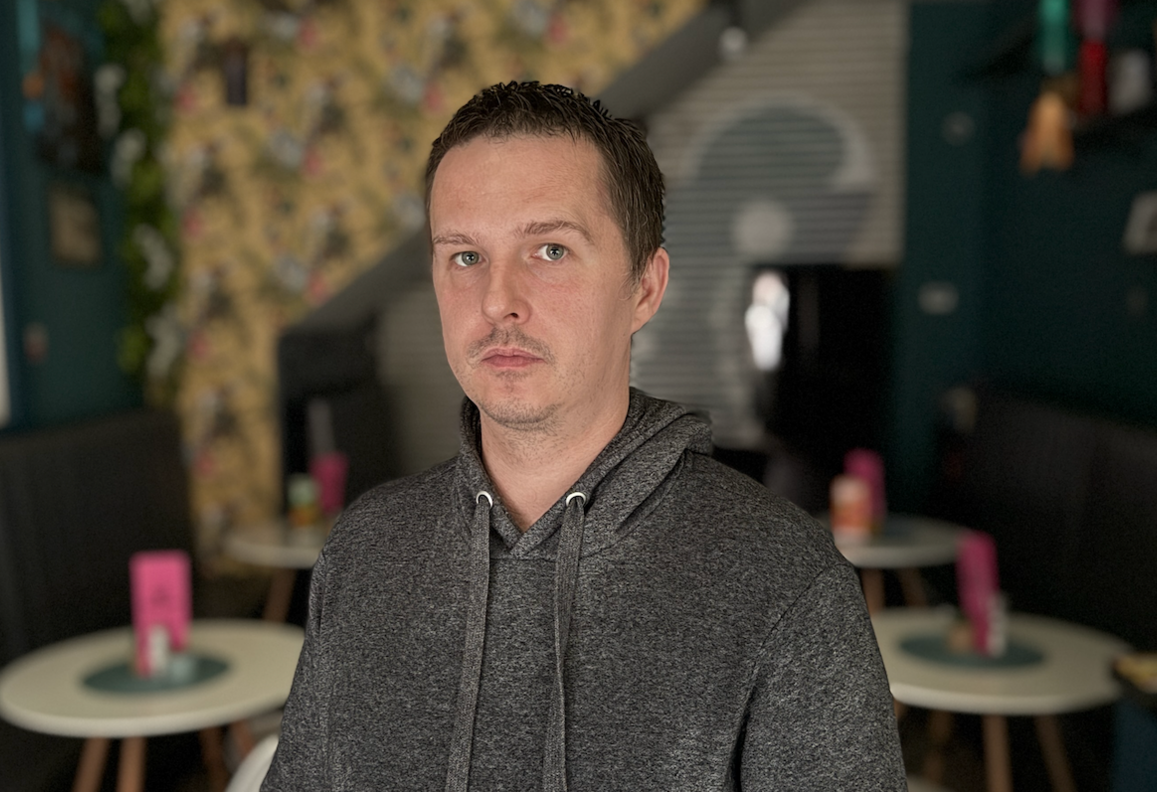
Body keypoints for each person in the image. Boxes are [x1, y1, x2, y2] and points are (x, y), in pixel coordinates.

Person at [263, 81, 905, 791]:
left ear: (644, 288)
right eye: (465, 256)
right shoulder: (362, 553)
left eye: (550, 251)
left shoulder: (789, 586)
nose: (498, 299)